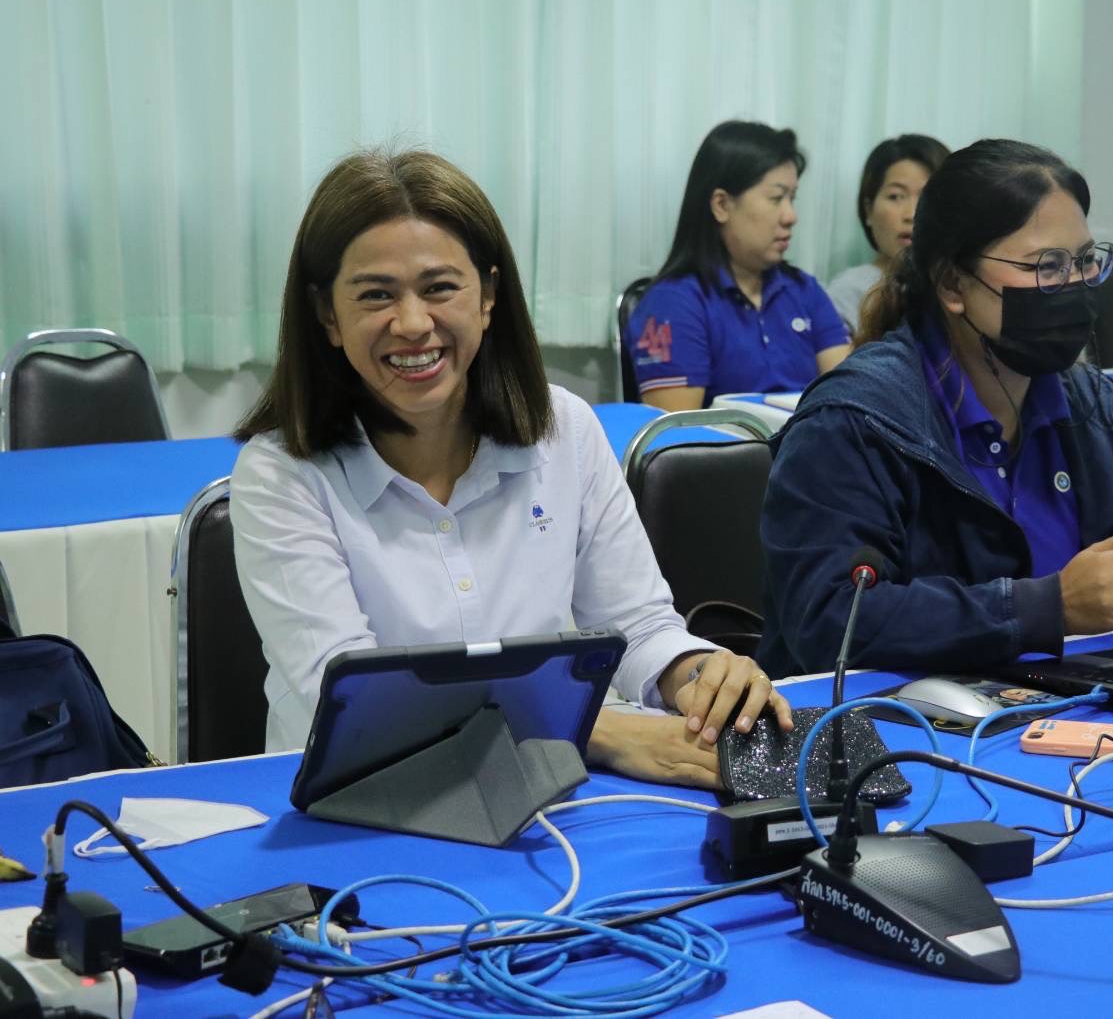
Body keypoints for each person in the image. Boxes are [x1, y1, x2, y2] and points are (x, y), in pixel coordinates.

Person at [232, 149, 790, 788]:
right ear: (328, 316)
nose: (413, 324)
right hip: (361, 806)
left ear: (489, 296)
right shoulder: (281, 474)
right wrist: (593, 730)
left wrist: (695, 675)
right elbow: (355, 706)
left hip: (554, 796)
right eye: (376, 295)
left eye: (440, 288)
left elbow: (636, 624)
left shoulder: (565, 428)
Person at [757, 139, 1113, 678]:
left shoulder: (1093, 405)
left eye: (1085, 262)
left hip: (1075, 709)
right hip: (895, 728)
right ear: (952, 284)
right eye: (1046, 266)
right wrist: (1048, 607)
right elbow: (830, 621)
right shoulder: (854, 421)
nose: (1074, 286)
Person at [625, 121, 851, 410]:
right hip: (728, 453)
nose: (790, 216)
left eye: (792, 199)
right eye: (776, 198)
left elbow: (849, 396)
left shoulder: (804, 290)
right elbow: (676, 436)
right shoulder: (673, 303)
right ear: (722, 205)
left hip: (810, 450)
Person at [827, 134, 951, 333]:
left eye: (927, 196)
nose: (911, 214)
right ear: (868, 211)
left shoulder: (964, 286)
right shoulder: (848, 293)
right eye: (895, 196)